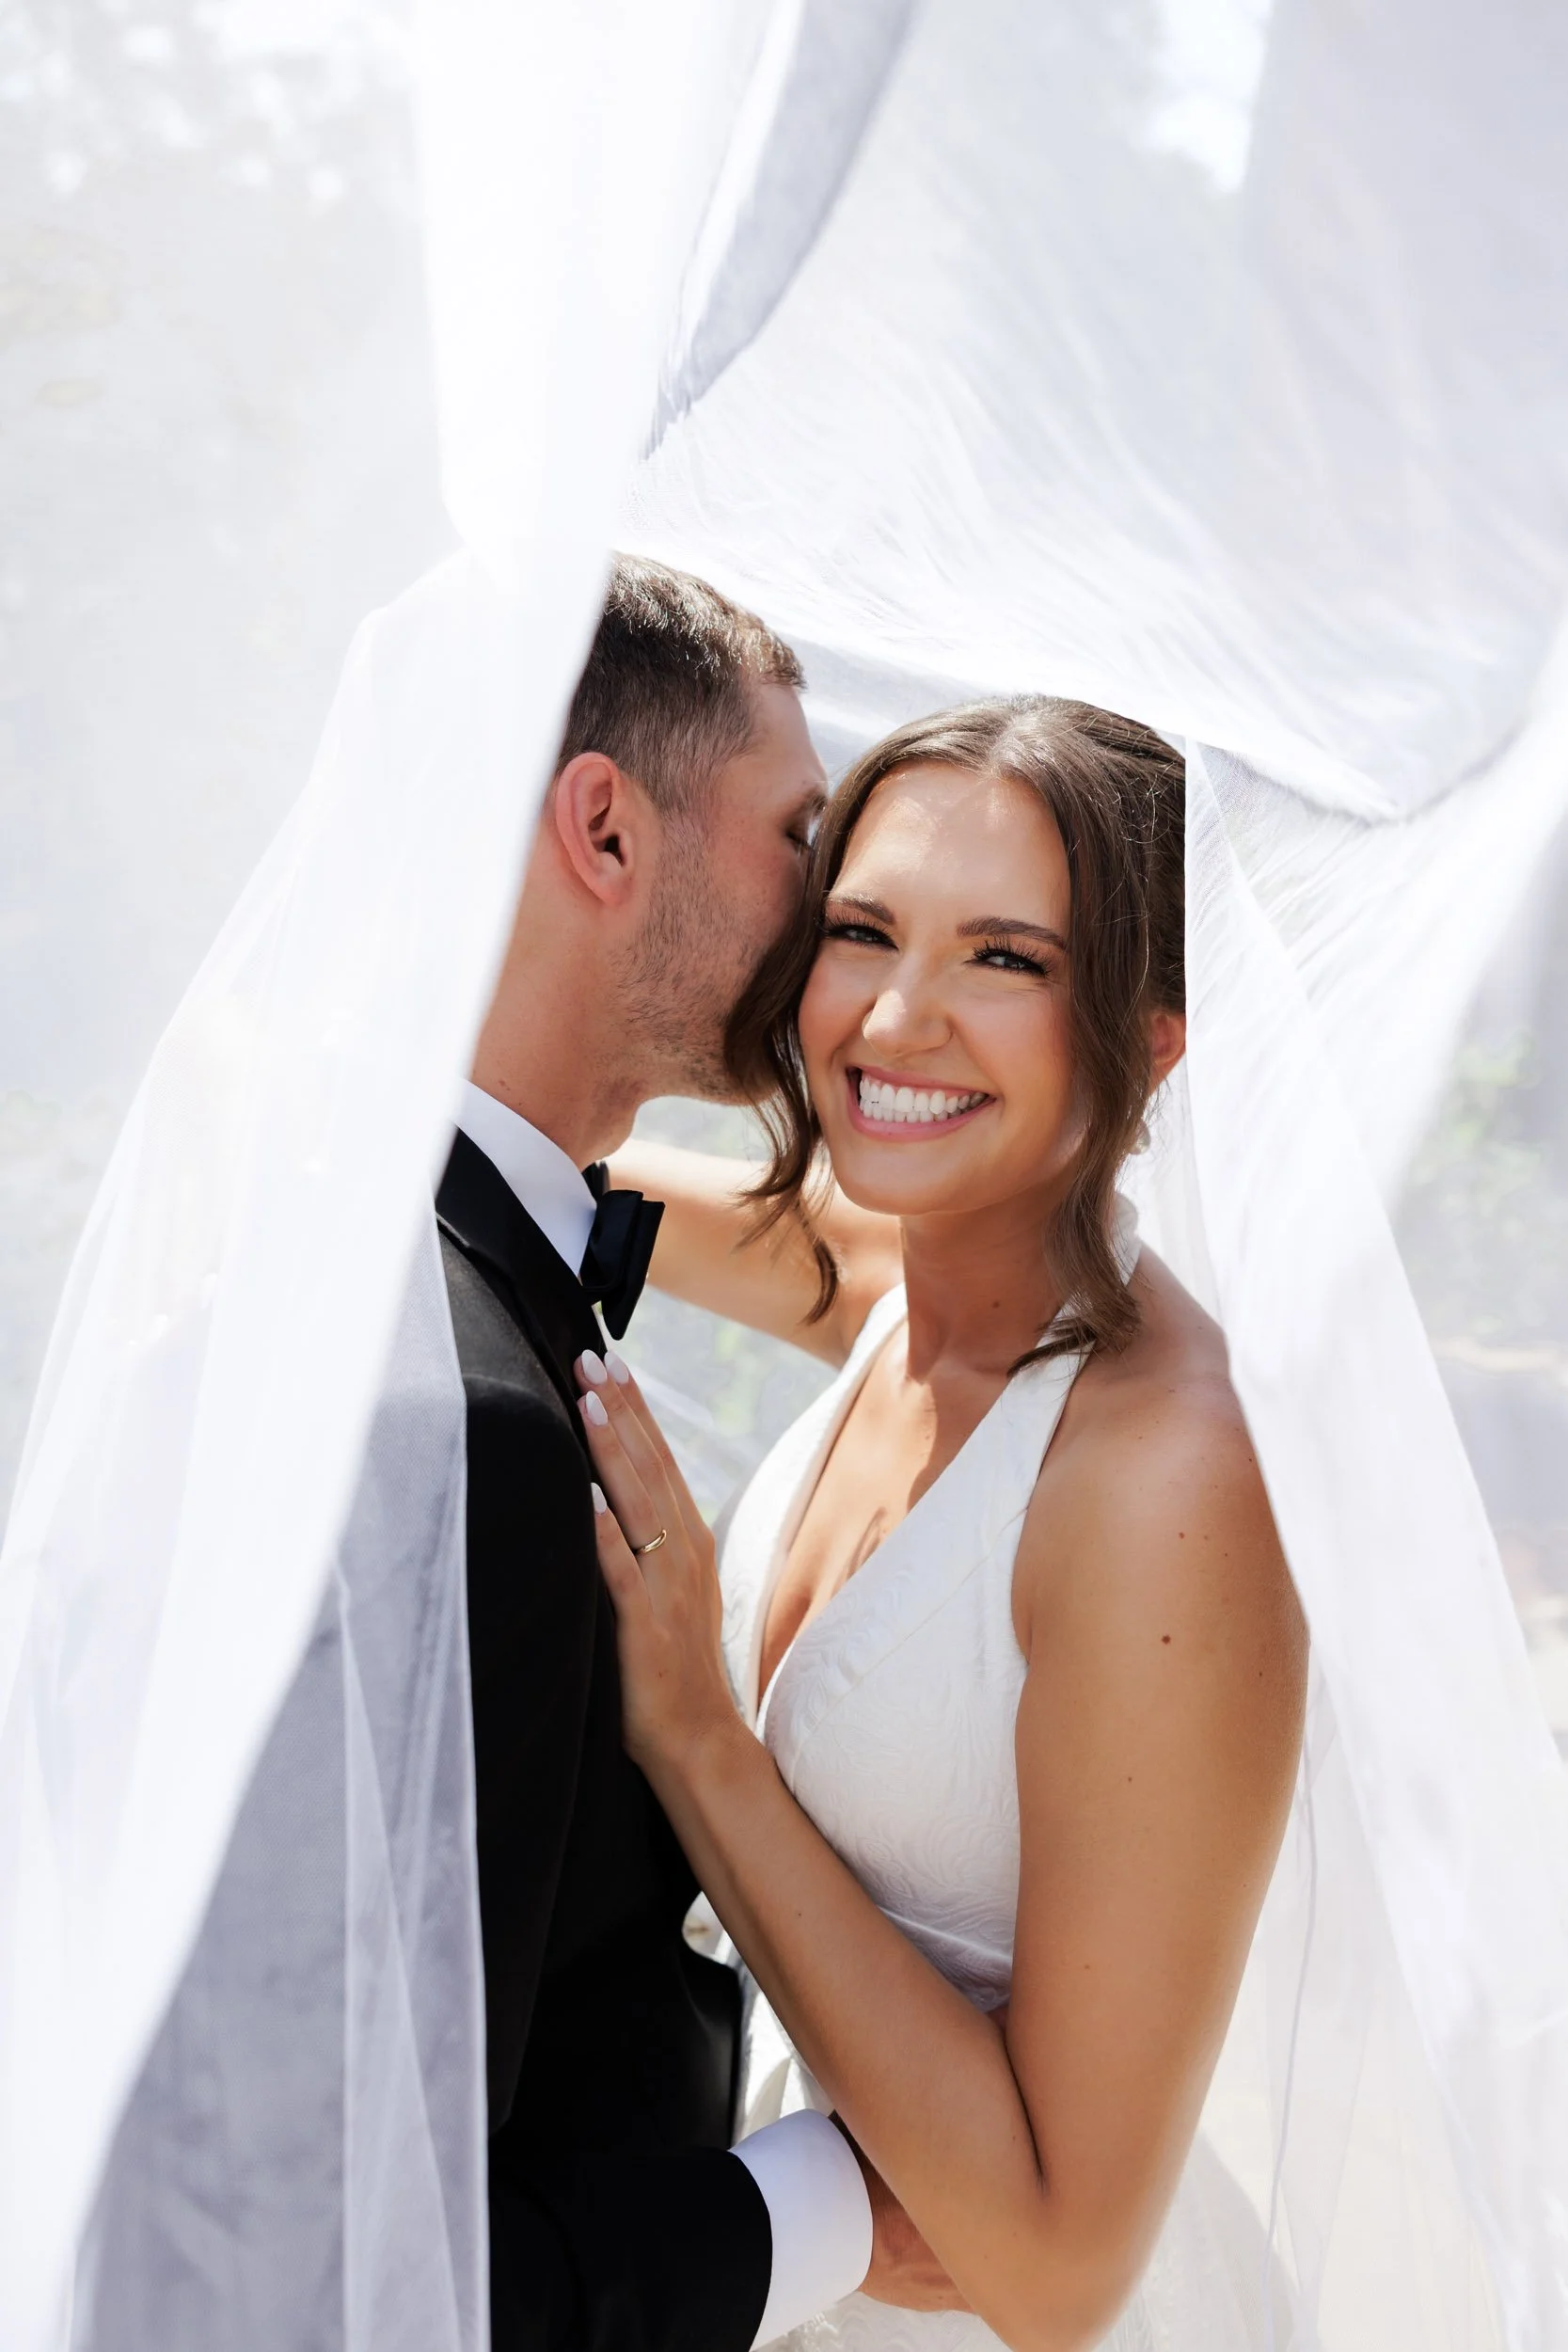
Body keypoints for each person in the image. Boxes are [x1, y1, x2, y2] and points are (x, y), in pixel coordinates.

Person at [578, 698, 1310, 2350]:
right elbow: (764, 1241)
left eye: (1006, 960)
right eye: (861, 930)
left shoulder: (1162, 1485)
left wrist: (697, 1727)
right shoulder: (932, 1287)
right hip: (800, 2276)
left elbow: (1057, 2271)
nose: (895, 1019)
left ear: (1154, 1032)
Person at [441, 555, 908, 2352]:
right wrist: (818, 2211)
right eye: (798, 833)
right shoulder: (474, 1427)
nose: (833, 912)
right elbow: (387, 2238)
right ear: (606, 831)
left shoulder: (445, 1266)